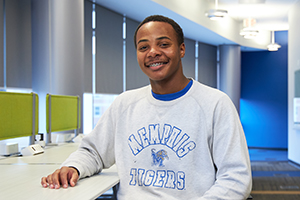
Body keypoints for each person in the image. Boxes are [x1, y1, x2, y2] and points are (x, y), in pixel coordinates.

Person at [41, 15, 252, 199]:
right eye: (143, 47)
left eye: (163, 44)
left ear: (181, 49)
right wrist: (72, 167)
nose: (153, 52)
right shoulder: (125, 104)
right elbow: (94, 152)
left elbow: (236, 178)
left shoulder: (215, 103)